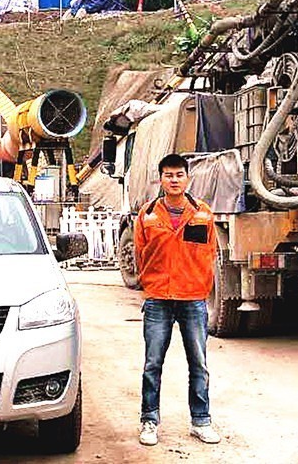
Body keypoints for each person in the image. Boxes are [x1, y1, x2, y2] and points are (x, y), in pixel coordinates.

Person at [133, 153, 221, 446]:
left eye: (179, 175)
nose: (174, 180)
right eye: (168, 175)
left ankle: (201, 421)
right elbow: (139, 253)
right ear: (161, 179)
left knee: (198, 363)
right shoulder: (147, 215)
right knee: (152, 364)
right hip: (158, 298)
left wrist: (200, 285)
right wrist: (150, 283)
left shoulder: (203, 213)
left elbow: (210, 253)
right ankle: (149, 421)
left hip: (193, 299)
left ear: (187, 178)